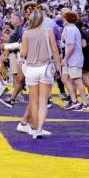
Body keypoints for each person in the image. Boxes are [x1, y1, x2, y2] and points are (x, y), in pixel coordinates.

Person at [20, 8, 59, 139]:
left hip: (31, 69)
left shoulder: (26, 33)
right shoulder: (48, 32)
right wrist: (59, 67)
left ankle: (35, 128)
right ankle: (39, 128)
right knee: (43, 101)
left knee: (34, 101)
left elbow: (23, 53)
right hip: (45, 68)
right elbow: (55, 51)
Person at [61, 10, 88, 110]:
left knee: (77, 80)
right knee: (64, 78)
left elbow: (71, 46)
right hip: (71, 59)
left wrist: (65, 58)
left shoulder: (71, 29)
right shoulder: (69, 28)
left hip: (74, 59)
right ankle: (74, 100)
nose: (62, 19)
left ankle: (85, 103)